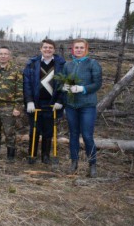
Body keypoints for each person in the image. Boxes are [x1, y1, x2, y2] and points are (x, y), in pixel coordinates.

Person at [62, 39, 102, 178]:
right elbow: (64, 80)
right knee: (73, 134)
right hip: (71, 105)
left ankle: (92, 164)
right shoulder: (68, 65)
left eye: (81, 47)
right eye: (76, 47)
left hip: (87, 105)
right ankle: (74, 162)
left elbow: (97, 84)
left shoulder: (93, 64)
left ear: (86, 49)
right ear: (73, 49)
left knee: (87, 135)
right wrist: (65, 86)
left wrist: (83, 88)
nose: (78, 50)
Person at [23, 39, 65, 164]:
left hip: (52, 104)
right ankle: (32, 155)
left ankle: (45, 156)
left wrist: (60, 101)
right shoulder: (32, 63)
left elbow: (66, 83)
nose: (47, 49)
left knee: (48, 131)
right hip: (35, 103)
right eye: (45, 47)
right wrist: (29, 101)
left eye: (50, 47)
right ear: (40, 49)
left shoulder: (62, 64)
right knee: (34, 130)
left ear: (54, 50)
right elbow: (27, 84)